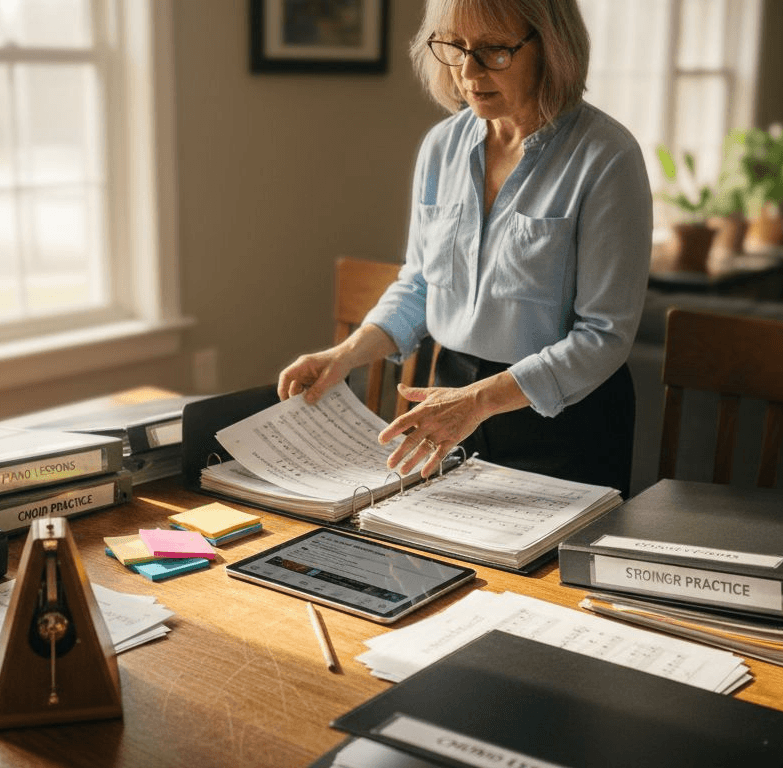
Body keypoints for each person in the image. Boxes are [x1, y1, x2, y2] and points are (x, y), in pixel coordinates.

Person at [277, 0, 650, 495]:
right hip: (449, 392)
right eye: (456, 47)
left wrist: (479, 401)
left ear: (552, 47)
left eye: (494, 51)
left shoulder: (607, 157)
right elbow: (419, 285)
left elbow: (604, 336)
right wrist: (345, 355)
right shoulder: (441, 147)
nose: (468, 72)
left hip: (562, 417)